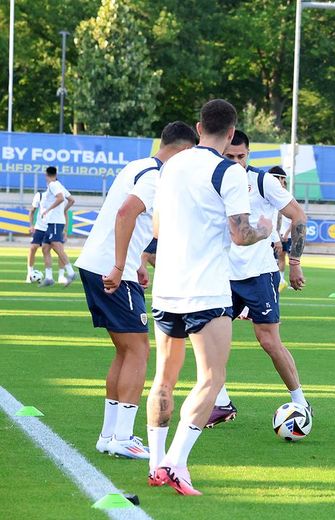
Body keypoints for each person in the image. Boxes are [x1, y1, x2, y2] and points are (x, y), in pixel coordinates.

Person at [143, 99, 273, 496]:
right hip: (206, 290)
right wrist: (265, 229)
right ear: (231, 133)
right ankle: (175, 462)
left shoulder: (171, 165)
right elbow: (241, 233)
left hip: (167, 288)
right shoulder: (229, 171)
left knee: (164, 378)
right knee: (211, 379)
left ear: (199, 128)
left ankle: (155, 464)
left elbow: (158, 228)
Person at [78, 122, 198, 459]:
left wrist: (136, 262)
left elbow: (133, 218)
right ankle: (123, 436)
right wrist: (120, 265)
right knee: (139, 351)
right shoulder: (157, 176)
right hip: (111, 268)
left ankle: (109, 435)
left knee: (125, 351)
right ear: (183, 151)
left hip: (98, 263)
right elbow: (126, 212)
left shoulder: (138, 165)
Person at [205, 131, 309, 428]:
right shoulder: (213, 179)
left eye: (241, 156)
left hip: (259, 274)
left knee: (269, 341)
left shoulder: (263, 181)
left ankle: (301, 402)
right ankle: (222, 403)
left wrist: (295, 263)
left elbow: (298, 215)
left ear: (248, 154)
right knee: (209, 338)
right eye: (230, 156)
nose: (236, 162)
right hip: (221, 274)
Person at [38, 167, 77, 287]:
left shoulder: (52, 185)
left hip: (55, 221)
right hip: (54, 222)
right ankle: (49, 277)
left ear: (46, 175)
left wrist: (48, 210)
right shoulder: (59, 185)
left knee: (56, 245)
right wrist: (63, 210)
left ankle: (71, 272)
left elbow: (60, 198)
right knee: (45, 248)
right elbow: (71, 200)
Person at [270, 166, 293, 291]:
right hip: (273, 235)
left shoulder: (284, 196)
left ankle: (280, 280)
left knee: (282, 258)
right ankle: (280, 280)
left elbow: (297, 218)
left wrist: (281, 235)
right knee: (276, 259)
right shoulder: (269, 193)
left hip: (281, 236)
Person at [26, 189, 49, 282]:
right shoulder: (40, 195)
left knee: (56, 250)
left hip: (52, 227)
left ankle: (58, 275)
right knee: (33, 248)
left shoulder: (59, 197)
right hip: (40, 227)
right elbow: (32, 211)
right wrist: (31, 225)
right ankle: (29, 273)